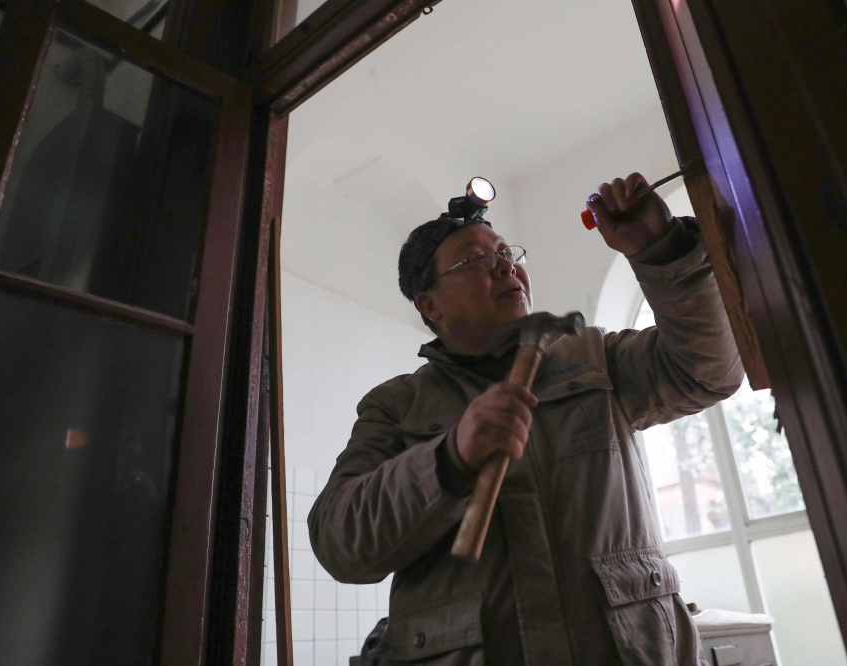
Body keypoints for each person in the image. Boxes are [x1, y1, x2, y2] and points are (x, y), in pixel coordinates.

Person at [308, 172, 744, 665]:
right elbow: (338, 542)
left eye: (507, 253)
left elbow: (708, 372)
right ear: (429, 304)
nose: (505, 267)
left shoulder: (595, 358)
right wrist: (447, 460)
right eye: (476, 260)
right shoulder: (396, 406)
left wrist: (664, 251)